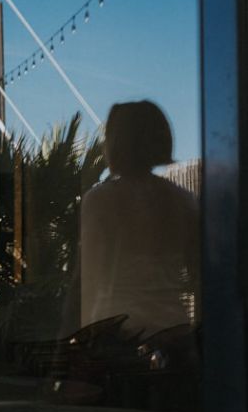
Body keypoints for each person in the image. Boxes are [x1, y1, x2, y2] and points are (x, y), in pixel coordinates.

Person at [80, 100, 199, 334]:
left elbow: (87, 281)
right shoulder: (183, 201)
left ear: (115, 143)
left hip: (118, 334)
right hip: (173, 331)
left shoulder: (100, 200)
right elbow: (201, 277)